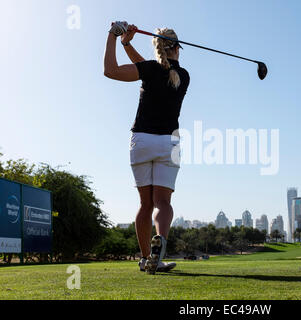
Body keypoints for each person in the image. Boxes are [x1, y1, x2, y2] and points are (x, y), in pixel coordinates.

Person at [104, 21, 190, 274]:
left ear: (158, 47)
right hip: (169, 143)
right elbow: (150, 68)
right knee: (163, 202)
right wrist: (127, 44)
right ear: (176, 48)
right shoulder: (183, 76)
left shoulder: (151, 70)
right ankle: (160, 243)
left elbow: (111, 71)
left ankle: (145, 259)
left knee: (145, 204)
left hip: (142, 140)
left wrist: (113, 36)